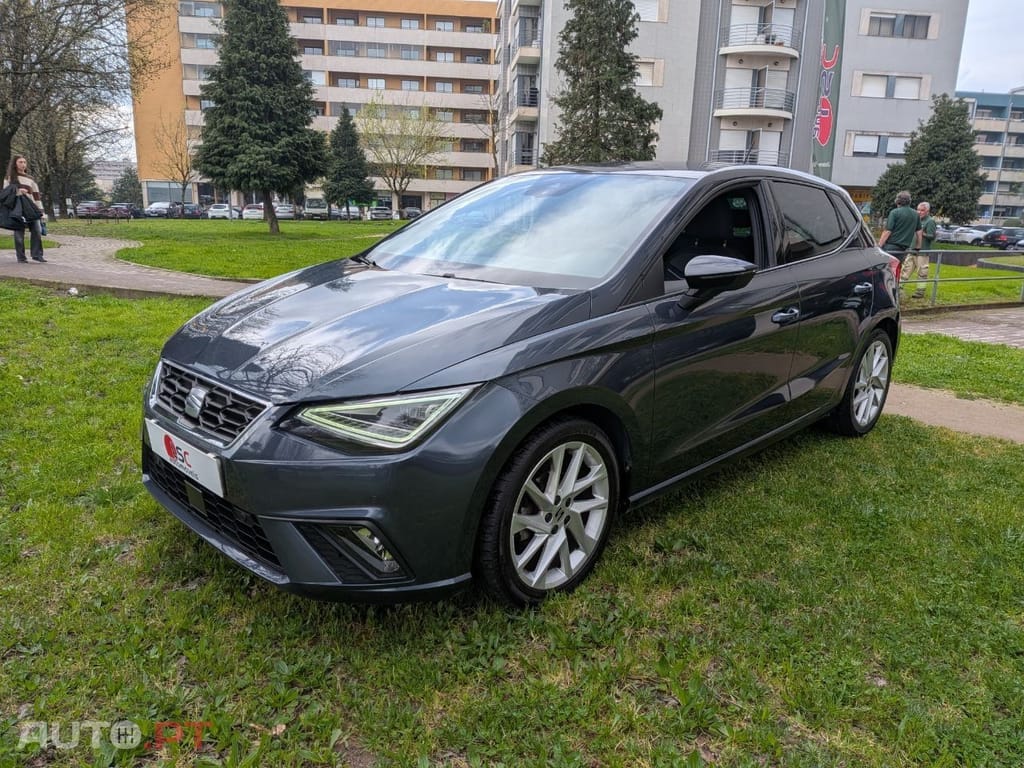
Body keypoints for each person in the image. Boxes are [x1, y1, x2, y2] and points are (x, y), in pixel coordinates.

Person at [3, 155, 46, 262]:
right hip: (18, 209)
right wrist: (18, 192)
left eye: (24, 162)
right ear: (15, 164)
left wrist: (41, 211)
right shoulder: (10, 178)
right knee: (19, 233)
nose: (23, 164)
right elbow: (5, 195)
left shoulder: (30, 178)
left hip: (31, 207)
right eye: (20, 162)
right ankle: (21, 257)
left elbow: (36, 196)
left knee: (36, 230)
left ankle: (37, 255)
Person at [876, 190, 921, 268]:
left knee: (883, 269)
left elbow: (888, 231)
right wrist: (918, 247)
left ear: (897, 201)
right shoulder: (916, 214)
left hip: (890, 247)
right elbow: (919, 232)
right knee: (896, 269)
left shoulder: (894, 212)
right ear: (909, 201)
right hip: (904, 249)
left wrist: (879, 246)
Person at [903, 201, 936, 299]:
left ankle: (920, 292)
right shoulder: (915, 220)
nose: (919, 212)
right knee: (905, 269)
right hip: (912, 249)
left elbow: (932, 236)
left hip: (922, 251)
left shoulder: (930, 221)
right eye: (918, 210)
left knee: (922, 272)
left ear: (927, 211)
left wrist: (922, 234)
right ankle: (899, 288)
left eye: (922, 210)